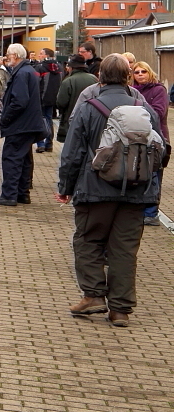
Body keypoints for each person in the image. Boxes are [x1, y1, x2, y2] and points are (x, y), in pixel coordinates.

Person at [57, 54, 163, 327]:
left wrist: (65, 187)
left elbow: (72, 152)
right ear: (128, 77)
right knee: (124, 249)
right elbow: (160, 149)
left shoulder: (89, 106)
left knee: (89, 240)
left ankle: (93, 295)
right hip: (137, 191)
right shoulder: (144, 105)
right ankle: (120, 309)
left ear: (100, 77)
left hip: (95, 187)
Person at [0, 43, 46, 206]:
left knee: (12, 159)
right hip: (28, 124)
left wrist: (6, 117)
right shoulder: (27, 71)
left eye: (8, 54)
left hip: (20, 125)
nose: (7, 57)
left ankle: (9, 195)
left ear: (15, 55)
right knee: (23, 159)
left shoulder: (21, 73)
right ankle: (22, 194)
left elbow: (20, 101)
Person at [130, 61, 169, 226]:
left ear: (149, 72)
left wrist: (136, 112)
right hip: (135, 137)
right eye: (137, 72)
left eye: (143, 71)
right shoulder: (131, 91)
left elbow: (158, 112)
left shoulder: (158, 89)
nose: (140, 74)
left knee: (154, 174)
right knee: (137, 172)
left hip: (156, 137)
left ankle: (152, 212)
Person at [55, 55, 97, 145]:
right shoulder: (94, 79)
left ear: (71, 67)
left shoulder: (68, 81)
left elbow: (61, 103)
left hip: (71, 121)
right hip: (91, 120)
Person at [34, 48, 63, 152]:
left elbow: (36, 83)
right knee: (49, 120)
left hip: (40, 98)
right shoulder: (59, 67)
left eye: (41, 54)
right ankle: (49, 144)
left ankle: (40, 143)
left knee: (40, 120)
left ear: (46, 55)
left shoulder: (40, 67)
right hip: (53, 98)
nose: (39, 56)